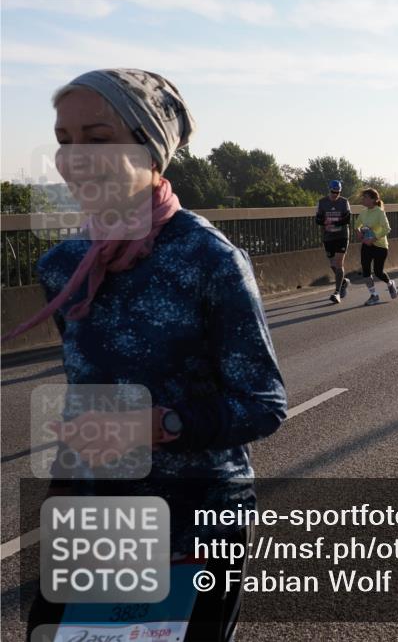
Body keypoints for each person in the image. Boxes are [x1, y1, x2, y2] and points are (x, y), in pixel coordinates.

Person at [8, 68, 287, 641]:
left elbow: (264, 405)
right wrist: (63, 490)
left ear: (151, 148)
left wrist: (157, 425)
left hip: (198, 516)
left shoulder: (209, 259)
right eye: (64, 140)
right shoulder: (62, 266)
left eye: (97, 137)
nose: (74, 157)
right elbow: (85, 396)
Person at [355, 188, 398, 305]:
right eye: (363, 197)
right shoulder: (363, 212)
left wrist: (373, 239)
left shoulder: (380, 212)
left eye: (365, 197)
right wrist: (358, 232)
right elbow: (357, 225)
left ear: (373, 199)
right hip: (366, 245)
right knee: (366, 271)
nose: (363, 199)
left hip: (380, 246)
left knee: (378, 272)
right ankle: (374, 295)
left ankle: (390, 284)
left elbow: (387, 229)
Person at [316, 179, 352, 303]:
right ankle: (343, 282)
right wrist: (324, 222)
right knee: (332, 264)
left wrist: (334, 223)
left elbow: (347, 219)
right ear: (329, 190)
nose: (335, 194)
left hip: (342, 236)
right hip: (328, 237)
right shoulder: (322, 202)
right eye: (333, 192)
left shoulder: (344, 202)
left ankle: (337, 292)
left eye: (338, 192)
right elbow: (318, 219)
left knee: (338, 263)